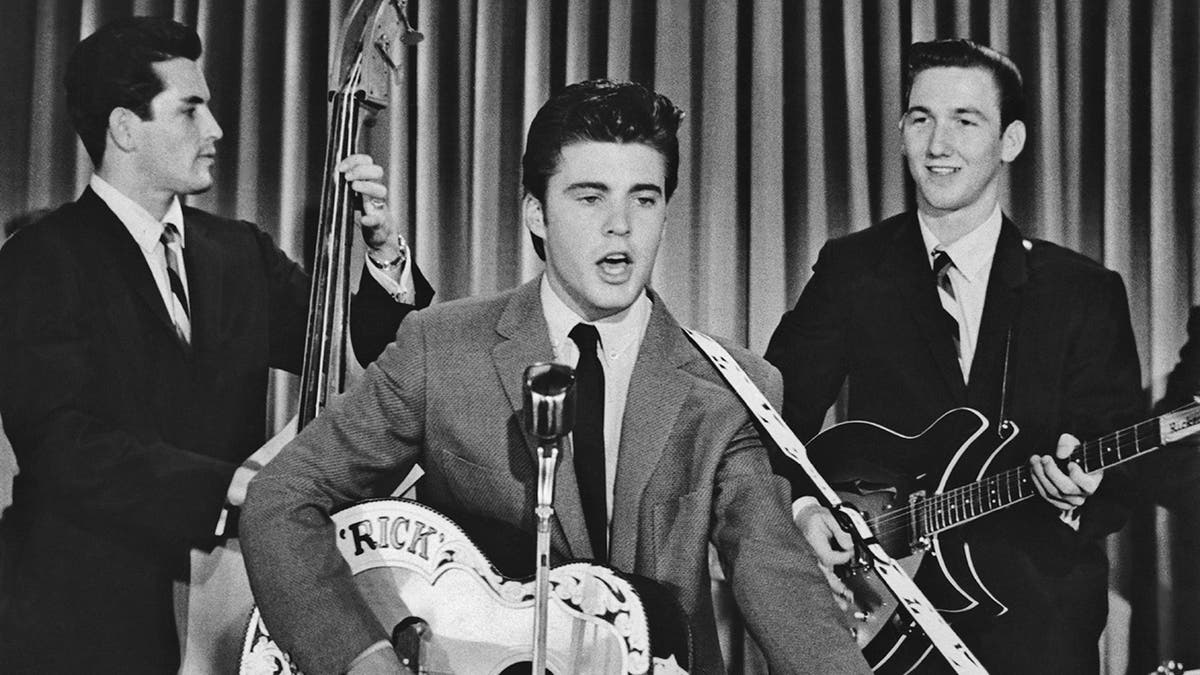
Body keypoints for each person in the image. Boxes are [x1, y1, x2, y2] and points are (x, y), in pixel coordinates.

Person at [240, 79, 871, 675]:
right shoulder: (441, 350)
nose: (619, 225)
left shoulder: (732, 385)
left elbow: (779, 577)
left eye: (643, 199)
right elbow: (281, 498)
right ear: (537, 214)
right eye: (590, 197)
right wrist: (362, 660)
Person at [0, 16, 432, 674]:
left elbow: (353, 351)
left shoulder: (240, 253)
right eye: (191, 110)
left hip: (226, 608)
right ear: (124, 128)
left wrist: (382, 257)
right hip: (77, 620)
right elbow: (65, 446)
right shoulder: (38, 260)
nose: (216, 131)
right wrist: (241, 485)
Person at [765, 39, 1143, 674]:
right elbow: (769, 420)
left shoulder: (1083, 292)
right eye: (921, 119)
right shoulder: (853, 269)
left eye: (966, 121)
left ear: (1010, 141)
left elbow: (1124, 472)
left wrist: (1082, 493)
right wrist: (804, 511)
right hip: (890, 627)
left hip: (1041, 634)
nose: (938, 145)